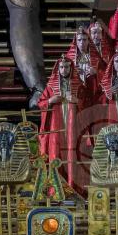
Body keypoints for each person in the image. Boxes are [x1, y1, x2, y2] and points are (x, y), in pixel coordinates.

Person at [38, 55, 82, 189]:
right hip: (56, 125)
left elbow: (88, 103)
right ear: (57, 69)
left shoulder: (79, 86)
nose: (64, 70)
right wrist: (50, 101)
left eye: (66, 67)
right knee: (55, 153)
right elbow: (40, 103)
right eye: (61, 67)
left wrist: (77, 101)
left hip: (73, 126)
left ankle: (72, 187)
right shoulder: (50, 87)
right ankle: (55, 189)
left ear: (71, 68)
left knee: (72, 154)